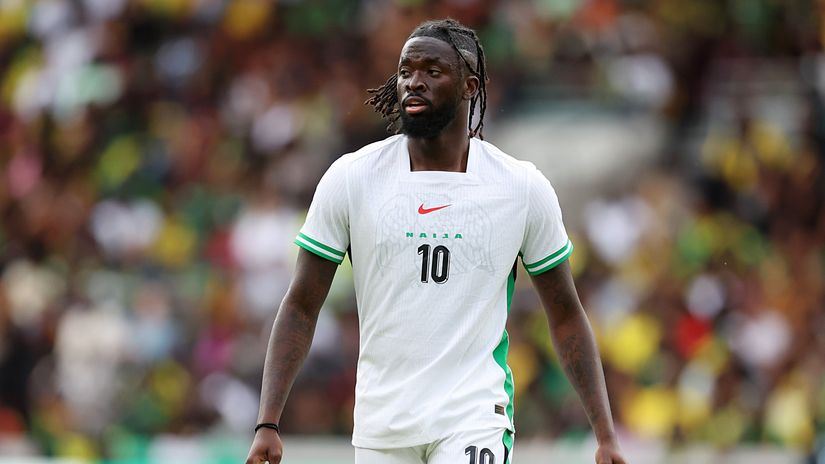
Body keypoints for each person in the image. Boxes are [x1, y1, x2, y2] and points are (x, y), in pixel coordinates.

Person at [245, 18, 628, 464]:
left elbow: (565, 314)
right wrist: (267, 421)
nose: (414, 82)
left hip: (473, 417)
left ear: (470, 86)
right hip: (382, 426)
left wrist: (605, 434)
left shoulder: (521, 188)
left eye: (432, 71)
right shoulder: (352, 178)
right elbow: (300, 305)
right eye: (407, 70)